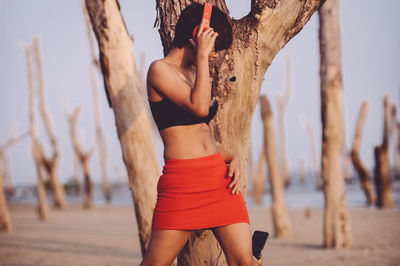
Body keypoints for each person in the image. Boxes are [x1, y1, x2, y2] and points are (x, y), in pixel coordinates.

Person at [141, 3, 253, 265]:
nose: (215, 55)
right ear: (198, 34)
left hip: (218, 180)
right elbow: (199, 108)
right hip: (183, 184)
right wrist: (202, 57)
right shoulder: (159, 71)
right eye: (214, 46)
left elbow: (198, 132)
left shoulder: (192, 73)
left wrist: (229, 156)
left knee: (244, 262)